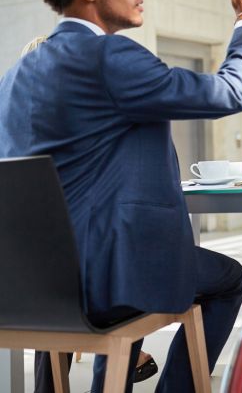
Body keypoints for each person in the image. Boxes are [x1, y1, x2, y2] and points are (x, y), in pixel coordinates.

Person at [0, 0, 242, 393]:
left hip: (31, 287)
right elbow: (228, 93)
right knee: (229, 280)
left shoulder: (15, 77)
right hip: (110, 279)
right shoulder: (108, 57)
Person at [18, 36, 160, 384]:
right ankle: (119, 366)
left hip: (25, 289)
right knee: (126, 272)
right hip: (83, 283)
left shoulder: (17, 134)